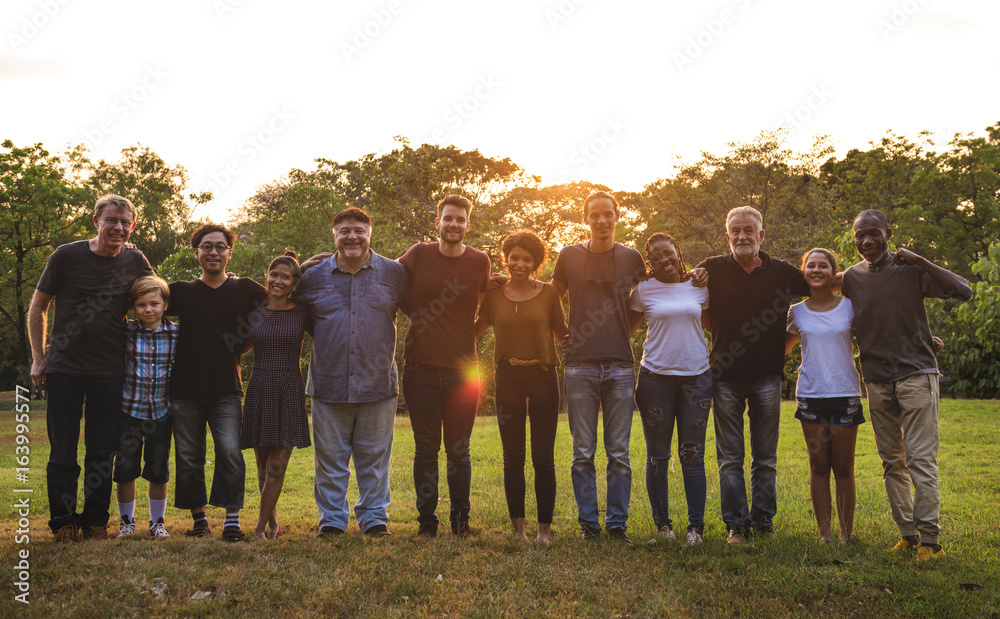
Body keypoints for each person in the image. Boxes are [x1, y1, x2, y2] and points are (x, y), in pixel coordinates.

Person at [843, 209, 971, 560]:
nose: (867, 241)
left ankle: (931, 541)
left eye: (873, 233)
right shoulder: (851, 277)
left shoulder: (911, 269)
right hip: (876, 380)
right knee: (891, 462)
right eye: (860, 236)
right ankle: (908, 535)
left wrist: (920, 259)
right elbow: (815, 289)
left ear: (888, 232)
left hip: (917, 375)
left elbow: (963, 290)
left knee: (920, 460)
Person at [29, 195, 153, 542]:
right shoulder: (66, 255)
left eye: (125, 222)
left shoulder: (135, 259)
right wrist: (40, 357)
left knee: (102, 449)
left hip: (111, 371)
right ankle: (64, 521)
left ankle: (96, 520)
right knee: (63, 450)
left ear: (133, 226)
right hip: (65, 368)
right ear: (96, 220)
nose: (118, 227)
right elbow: (39, 305)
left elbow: (157, 295)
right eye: (112, 220)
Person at [696, 206, 810, 546]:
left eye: (749, 230)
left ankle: (763, 523)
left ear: (761, 235)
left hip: (767, 376)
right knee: (730, 457)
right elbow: (699, 307)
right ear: (727, 235)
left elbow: (821, 284)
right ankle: (736, 526)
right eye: (736, 231)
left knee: (765, 456)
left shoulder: (782, 271)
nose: (742, 236)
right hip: (724, 376)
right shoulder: (712, 268)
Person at [296, 208, 409, 538]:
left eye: (359, 230)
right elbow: (282, 304)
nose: (352, 236)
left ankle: (374, 518)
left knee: (374, 458)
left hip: (377, 384)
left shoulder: (393, 273)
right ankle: (331, 520)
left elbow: (425, 307)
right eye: (344, 231)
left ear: (370, 233)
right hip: (329, 382)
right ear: (334, 236)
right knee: (329, 460)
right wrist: (298, 268)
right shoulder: (313, 277)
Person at [551, 190, 646, 543]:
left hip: (621, 365)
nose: (602, 220)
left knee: (619, 452)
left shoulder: (632, 257)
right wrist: (562, 333)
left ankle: (617, 525)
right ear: (585, 219)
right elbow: (551, 297)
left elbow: (648, 296)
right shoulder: (569, 256)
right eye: (594, 215)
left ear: (617, 215)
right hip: (580, 366)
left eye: (608, 214)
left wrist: (623, 333)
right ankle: (590, 525)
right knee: (583, 452)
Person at [168, 224, 266, 542]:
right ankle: (199, 519)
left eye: (220, 247)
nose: (213, 252)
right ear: (195, 252)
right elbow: (143, 298)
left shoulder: (246, 289)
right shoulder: (180, 291)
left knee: (229, 450)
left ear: (229, 252)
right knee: (188, 454)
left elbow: (282, 296)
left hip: (226, 386)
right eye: (206, 246)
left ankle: (232, 521)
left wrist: (240, 348)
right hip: (184, 387)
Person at [400, 195, 491, 539]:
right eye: (447, 218)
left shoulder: (480, 260)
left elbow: (481, 306)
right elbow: (384, 277)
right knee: (426, 447)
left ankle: (461, 523)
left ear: (468, 225)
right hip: (420, 367)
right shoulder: (417, 254)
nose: (453, 224)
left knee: (459, 447)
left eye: (460, 219)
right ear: (436, 223)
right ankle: (427, 524)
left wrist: (466, 333)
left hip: (464, 371)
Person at [475, 229, 568, 543]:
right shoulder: (493, 295)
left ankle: (544, 531)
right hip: (508, 377)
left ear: (536, 263)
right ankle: (518, 530)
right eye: (514, 257)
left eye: (527, 259)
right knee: (512, 456)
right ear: (505, 257)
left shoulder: (549, 294)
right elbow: (474, 330)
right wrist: (475, 290)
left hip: (543, 376)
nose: (519, 263)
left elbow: (563, 333)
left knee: (543, 457)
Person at [629, 232, 711, 546]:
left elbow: (716, 326)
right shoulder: (643, 291)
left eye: (669, 253)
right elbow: (627, 331)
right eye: (656, 257)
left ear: (678, 252)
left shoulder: (699, 286)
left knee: (693, 455)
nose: (664, 261)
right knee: (657, 457)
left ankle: (695, 530)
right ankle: (664, 528)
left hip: (697, 380)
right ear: (648, 263)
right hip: (655, 381)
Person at [784, 249, 863, 545]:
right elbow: (779, 349)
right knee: (818, 464)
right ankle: (825, 534)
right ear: (804, 271)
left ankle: (846, 533)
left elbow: (877, 334)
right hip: (810, 394)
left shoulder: (850, 307)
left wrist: (921, 341)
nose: (816, 270)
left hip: (845, 393)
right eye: (811, 266)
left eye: (823, 266)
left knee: (843, 466)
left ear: (833, 272)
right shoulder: (796, 311)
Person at [241, 251, 312, 540]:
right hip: (259, 387)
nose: (278, 281)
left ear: (295, 283)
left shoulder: (303, 312)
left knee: (276, 464)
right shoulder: (254, 311)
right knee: (261, 465)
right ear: (267, 277)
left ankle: (259, 528)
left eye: (285, 277)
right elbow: (241, 346)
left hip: (289, 388)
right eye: (274, 274)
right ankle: (272, 523)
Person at [114, 275, 179, 540]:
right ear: (133, 307)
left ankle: (157, 522)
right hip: (129, 409)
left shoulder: (177, 333)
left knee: (158, 468)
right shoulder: (127, 330)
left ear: (165, 304)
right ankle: (126, 522)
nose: (148, 310)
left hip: (162, 412)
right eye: (141, 305)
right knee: (125, 466)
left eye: (154, 303)